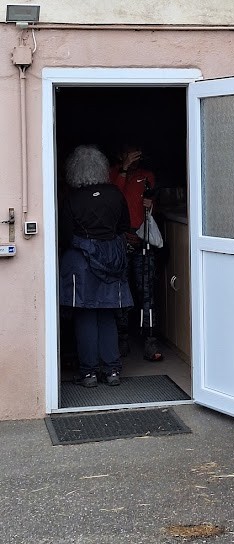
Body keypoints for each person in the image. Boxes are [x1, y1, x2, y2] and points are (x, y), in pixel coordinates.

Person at [59, 145, 133, 387]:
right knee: (107, 314)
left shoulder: (71, 199)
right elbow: (125, 226)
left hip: (81, 261)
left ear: (73, 171)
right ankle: (112, 370)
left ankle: (89, 373)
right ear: (102, 169)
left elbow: (66, 235)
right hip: (112, 257)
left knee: (85, 315)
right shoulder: (114, 194)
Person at [110, 143, 163, 362]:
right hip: (120, 240)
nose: (133, 158)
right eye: (128, 153)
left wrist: (151, 204)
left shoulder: (146, 175)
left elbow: (152, 207)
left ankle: (150, 341)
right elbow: (113, 198)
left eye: (136, 153)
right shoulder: (112, 173)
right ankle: (121, 340)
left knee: (147, 292)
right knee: (121, 292)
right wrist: (124, 169)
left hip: (142, 239)